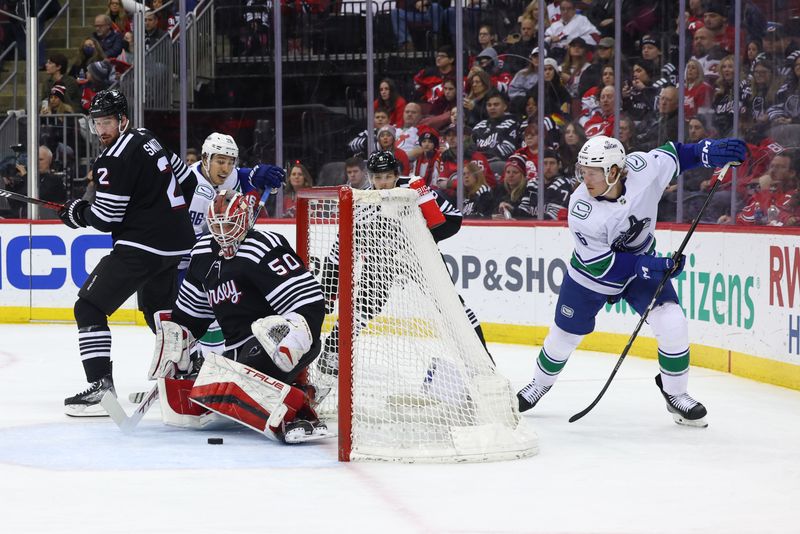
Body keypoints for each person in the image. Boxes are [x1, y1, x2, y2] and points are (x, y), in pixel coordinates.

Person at [516, 134, 747, 427]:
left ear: (614, 171)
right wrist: (650, 266)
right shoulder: (581, 208)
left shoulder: (642, 168)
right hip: (590, 278)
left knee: (672, 320)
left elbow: (675, 154)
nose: (585, 179)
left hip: (640, 266)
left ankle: (676, 394)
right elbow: (602, 266)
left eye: (593, 172)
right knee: (565, 336)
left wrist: (707, 151)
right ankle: (539, 384)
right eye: (583, 170)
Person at [150, 189, 329, 443]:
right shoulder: (202, 253)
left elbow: (308, 301)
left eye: (230, 224)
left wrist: (298, 338)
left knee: (258, 344)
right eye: (217, 225)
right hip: (237, 353)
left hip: (284, 343)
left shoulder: (264, 246)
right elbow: (190, 315)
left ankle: (296, 407)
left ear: (245, 220)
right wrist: (177, 344)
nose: (223, 233)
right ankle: (297, 390)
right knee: (212, 386)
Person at [58, 89, 196, 416]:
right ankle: (183, 374)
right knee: (158, 312)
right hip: (176, 244)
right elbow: (188, 182)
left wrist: (78, 213)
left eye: (107, 122)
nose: (102, 130)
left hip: (142, 245)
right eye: (97, 124)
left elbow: (105, 219)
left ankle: (101, 391)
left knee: (88, 306)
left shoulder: (112, 158)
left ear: (122, 119)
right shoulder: (147, 137)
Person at [316, 150, 489, 375]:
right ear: (370, 178)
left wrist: (423, 236)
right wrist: (328, 289)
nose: (384, 183)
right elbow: (338, 252)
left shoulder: (414, 190)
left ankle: (481, 359)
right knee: (363, 307)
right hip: (381, 261)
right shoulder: (362, 202)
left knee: (453, 306)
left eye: (388, 176)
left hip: (420, 257)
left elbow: (453, 219)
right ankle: (331, 352)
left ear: (397, 175)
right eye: (378, 177)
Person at [471, 90, 521, 161]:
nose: (492, 108)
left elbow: (508, 148)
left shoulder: (512, 125)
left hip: (499, 164)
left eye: (496, 104)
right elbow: (469, 148)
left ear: (505, 106)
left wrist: (483, 157)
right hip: (478, 164)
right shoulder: (479, 126)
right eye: (489, 105)